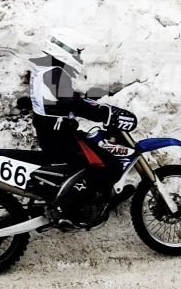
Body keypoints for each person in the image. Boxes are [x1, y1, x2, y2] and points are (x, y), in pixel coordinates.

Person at [30, 30, 136, 221]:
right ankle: (67, 207)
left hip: (53, 134)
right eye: (76, 52)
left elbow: (65, 100)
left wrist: (92, 102)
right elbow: (72, 103)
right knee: (109, 165)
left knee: (95, 153)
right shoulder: (55, 74)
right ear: (64, 51)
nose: (78, 56)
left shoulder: (45, 69)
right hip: (59, 139)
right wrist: (105, 114)